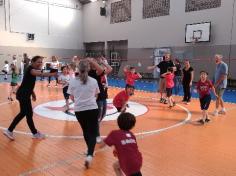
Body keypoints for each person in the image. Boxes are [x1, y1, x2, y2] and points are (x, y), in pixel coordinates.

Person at [3, 56, 57, 140]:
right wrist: (52, 74)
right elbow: (41, 74)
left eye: (41, 62)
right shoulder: (31, 69)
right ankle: (9, 130)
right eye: (38, 62)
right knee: (24, 113)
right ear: (32, 62)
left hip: (25, 94)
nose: (40, 63)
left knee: (29, 114)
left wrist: (33, 93)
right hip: (23, 95)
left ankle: (34, 133)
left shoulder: (32, 69)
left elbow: (28, 83)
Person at [67, 59, 100, 169]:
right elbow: (96, 95)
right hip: (92, 109)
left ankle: (89, 150)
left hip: (79, 110)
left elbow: (71, 97)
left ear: (78, 69)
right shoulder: (94, 81)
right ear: (89, 68)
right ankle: (90, 154)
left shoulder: (72, 81)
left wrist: (79, 102)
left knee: (86, 131)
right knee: (93, 132)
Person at [88, 56, 113, 143]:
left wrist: (102, 62)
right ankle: (96, 134)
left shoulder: (97, 71)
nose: (95, 62)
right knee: (98, 117)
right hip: (96, 97)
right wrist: (93, 61)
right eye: (93, 61)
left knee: (103, 115)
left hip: (103, 95)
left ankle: (93, 128)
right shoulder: (90, 72)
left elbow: (110, 69)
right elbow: (101, 70)